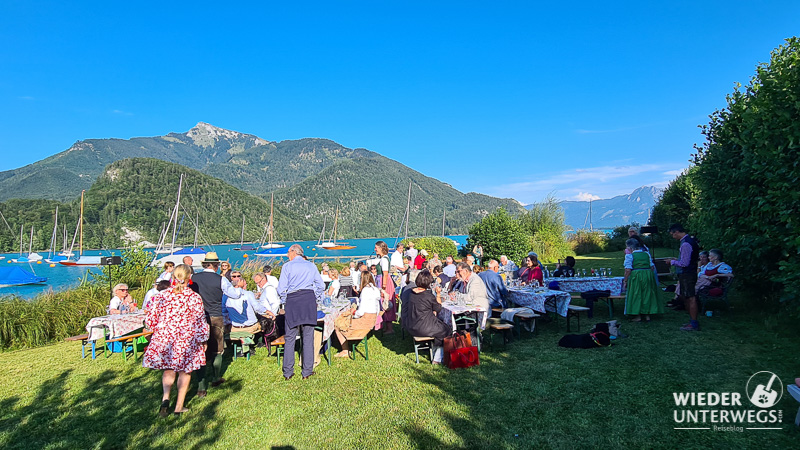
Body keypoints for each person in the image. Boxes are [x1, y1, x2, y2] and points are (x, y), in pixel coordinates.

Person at [143, 264, 208, 417]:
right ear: (189, 278)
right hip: (186, 338)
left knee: (168, 369)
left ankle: (165, 399)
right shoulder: (193, 297)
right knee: (184, 372)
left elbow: (150, 320)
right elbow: (200, 321)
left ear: (172, 277)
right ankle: (178, 406)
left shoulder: (160, 296)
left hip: (165, 337)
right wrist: (203, 339)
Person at [190, 252, 245, 397]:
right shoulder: (220, 280)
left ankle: (201, 386)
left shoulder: (194, 278)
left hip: (198, 317)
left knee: (200, 350)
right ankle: (215, 377)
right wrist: (237, 287)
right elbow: (235, 295)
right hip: (215, 316)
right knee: (217, 348)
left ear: (204, 264)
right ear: (216, 265)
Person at [276, 244, 324, 380]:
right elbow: (320, 285)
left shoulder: (287, 266)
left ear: (293, 252)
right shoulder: (311, 266)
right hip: (308, 299)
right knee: (308, 336)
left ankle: (288, 372)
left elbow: (281, 289)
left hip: (293, 300)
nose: (287, 255)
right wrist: (316, 298)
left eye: (288, 252)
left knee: (290, 337)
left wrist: (286, 300)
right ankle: (307, 371)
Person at [402, 269, 452, 364]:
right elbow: (438, 308)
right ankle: (437, 358)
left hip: (411, 325)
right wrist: (437, 294)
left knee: (439, 326)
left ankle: (433, 349)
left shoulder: (411, 293)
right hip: (423, 327)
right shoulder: (428, 296)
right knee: (446, 330)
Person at [334, 272, 380, 358]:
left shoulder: (365, 291)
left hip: (364, 320)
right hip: (372, 319)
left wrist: (353, 312)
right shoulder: (375, 290)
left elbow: (360, 312)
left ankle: (345, 350)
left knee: (338, 324)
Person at [668, 224, 701, 331]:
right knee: (687, 297)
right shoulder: (690, 241)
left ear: (676, 232)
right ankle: (692, 321)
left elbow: (684, 263)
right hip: (689, 272)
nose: (673, 236)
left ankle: (693, 323)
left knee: (690, 298)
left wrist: (672, 262)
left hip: (687, 274)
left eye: (672, 234)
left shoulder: (685, 244)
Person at [623, 238, 663, 322]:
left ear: (630, 248)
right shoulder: (646, 254)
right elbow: (652, 266)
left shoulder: (630, 255)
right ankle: (647, 314)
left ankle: (638, 315)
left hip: (636, 275)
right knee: (647, 293)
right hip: (647, 274)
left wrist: (625, 280)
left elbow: (628, 269)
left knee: (636, 294)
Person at [369, 240, 396, 334]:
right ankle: (385, 326)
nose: (375, 249)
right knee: (383, 302)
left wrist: (383, 287)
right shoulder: (382, 258)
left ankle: (389, 328)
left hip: (384, 281)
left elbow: (385, 273)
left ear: (381, 248)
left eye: (376, 247)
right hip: (381, 280)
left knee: (386, 301)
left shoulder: (384, 259)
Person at [223, 271, 262, 335]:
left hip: (235, 327)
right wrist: (267, 311)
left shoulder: (225, 295)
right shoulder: (248, 294)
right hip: (249, 327)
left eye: (238, 276)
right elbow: (257, 308)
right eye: (234, 276)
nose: (237, 278)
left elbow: (224, 311)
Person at [457, 262, 490, 328]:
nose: (457, 274)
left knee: (457, 317)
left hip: (479, 309)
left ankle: (467, 334)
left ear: (466, 271)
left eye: (458, 271)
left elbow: (469, 297)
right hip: (470, 308)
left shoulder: (475, 280)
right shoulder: (464, 280)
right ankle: (461, 334)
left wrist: (457, 296)